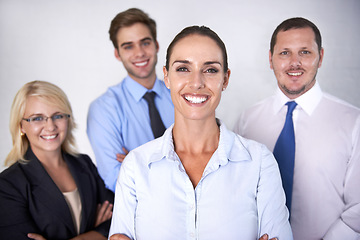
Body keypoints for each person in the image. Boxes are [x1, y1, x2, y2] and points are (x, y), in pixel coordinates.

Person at [108, 25, 292, 240]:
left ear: (225, 79)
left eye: (210, 69)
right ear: (166, 77)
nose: (196, 83)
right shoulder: (135, 166)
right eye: (183, 69)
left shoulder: (260, 162)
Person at [234, 17, 360, 240]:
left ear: (320, 57)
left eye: (304, 52)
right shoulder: (247, 121)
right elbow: (237, 195)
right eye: (284, 53)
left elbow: (358, 209)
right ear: (270, 59)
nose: (294, 63)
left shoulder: (353, 122)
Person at [0, 81, 114, 240]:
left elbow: (114, 222)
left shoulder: (84, 164)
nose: (50, 126)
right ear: (21, 126)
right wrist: (92, 233)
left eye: (58, 116)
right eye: (38, 118)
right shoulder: (8, 184)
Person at [87, 8, 174, 192]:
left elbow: (205, 156)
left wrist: (137, 164)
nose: (139, 53)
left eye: (145, 43)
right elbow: (117, 180)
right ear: (117, 54)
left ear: (156, 45)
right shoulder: (103, 109)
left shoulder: (181, 95)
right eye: (128, 46)